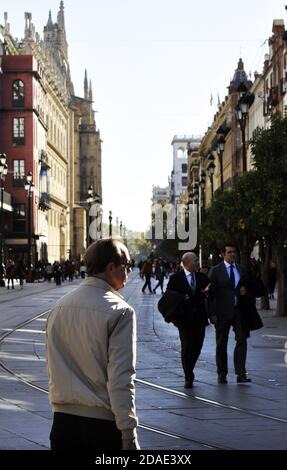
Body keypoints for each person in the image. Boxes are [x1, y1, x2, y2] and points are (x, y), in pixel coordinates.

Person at [46, 238, 140, 451]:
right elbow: (121, 378)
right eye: (126, 266)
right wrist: (128, 431)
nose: (129, 272)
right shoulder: (121, 311)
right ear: (110, 267)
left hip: (61, 424)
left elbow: (52, 367)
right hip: (102, 425)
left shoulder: (58, 308)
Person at [208, 244, 251, 384]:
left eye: (234, 252)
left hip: (239, 311)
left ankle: (241, 373)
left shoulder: (241, 270)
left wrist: (246, 292)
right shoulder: (215, 271)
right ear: (223, 254)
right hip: (222, 313)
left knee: (242, 340)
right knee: (221, 343)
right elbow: (210, 295)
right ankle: (222, 374)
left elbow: (248, 286)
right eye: (229, 252)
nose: (233, 254)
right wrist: (212, 314)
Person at [166, 252, 210, 388]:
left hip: (200, 319)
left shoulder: (202, 277)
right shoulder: (175, 278)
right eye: (195, 260)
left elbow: (210, 293)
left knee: (197, 346)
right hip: (184, 320)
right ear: (187, 263)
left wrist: (207, 292)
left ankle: (190, 368)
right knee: (186, 347)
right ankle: (188, 375)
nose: (198, 262)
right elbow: (169, 297)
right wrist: (181, 298)